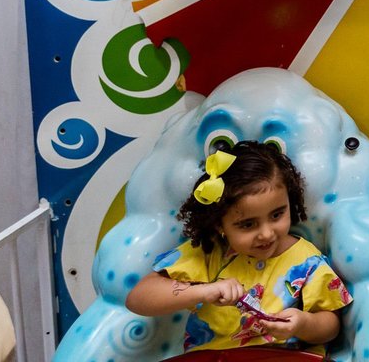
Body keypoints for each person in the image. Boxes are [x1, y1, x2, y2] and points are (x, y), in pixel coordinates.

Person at [126, 141, 351, 354]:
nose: (266, 233)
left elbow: (331, 327)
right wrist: (202, 291)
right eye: (248, 224)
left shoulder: (307, 260)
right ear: (219, 224)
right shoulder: (210, 252)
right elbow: (137, 298)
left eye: (277, 214)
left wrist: (303, 324)